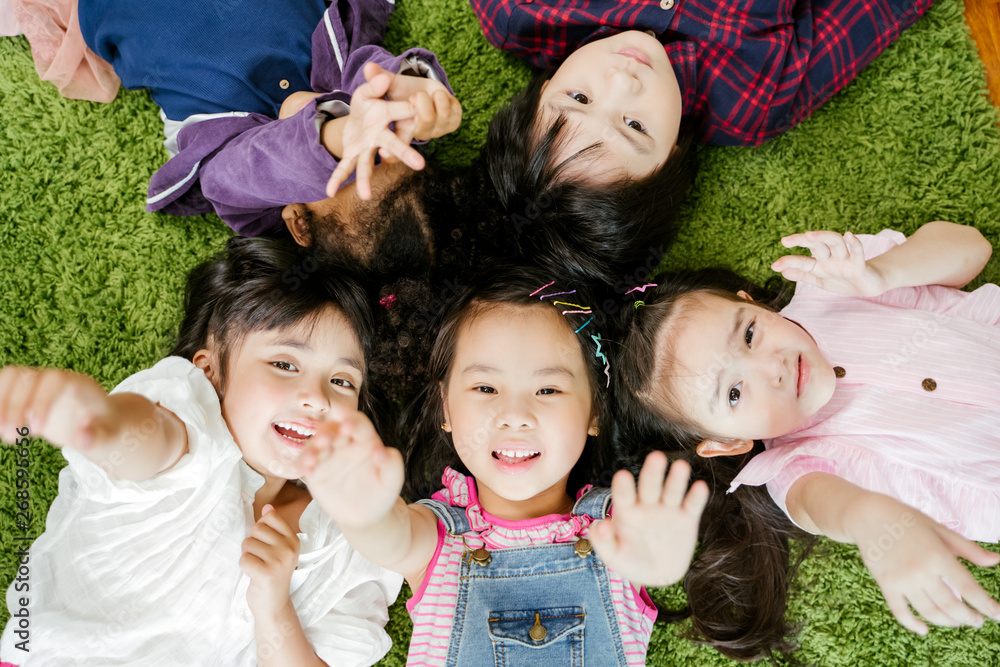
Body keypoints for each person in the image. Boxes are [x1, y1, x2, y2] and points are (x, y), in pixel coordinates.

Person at [0, 238, 402, 666]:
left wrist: (273, 606)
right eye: (284, 364)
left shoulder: (352, 538)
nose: (318, 399)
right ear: (209, 372)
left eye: (342, 381)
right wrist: (92, 418)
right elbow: (144, 438)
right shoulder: (193, 433)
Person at [616, 222, 1000, 660]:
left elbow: (972, 248)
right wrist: (872, 518)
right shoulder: (796, 469)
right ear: (727, 443)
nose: (772, 368)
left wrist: (880, 273)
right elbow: (833, 507)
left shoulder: (833, 286)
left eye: (749, 335)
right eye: (734, 393)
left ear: (753, 303)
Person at [298, 270, 709, 666]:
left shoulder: (620, 525)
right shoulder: (439, 534)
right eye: (486, 388)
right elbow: (390, 538)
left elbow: (650, 551)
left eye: (548, 389)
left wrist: (660, 566)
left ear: (595, 411)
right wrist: (363, 512)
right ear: (445, 406)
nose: (514, 416)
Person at [470, 0, 933, 279]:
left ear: (542, 91)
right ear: (671, 158)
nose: (623, 80)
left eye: (578, 97)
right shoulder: (758, 97)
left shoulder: (516, 11)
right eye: (634, 127)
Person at [6, 0, 461, 256]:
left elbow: (246, 169)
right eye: (381, 149)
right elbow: (373, 76)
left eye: (343, 164)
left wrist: (331, 135)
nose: (356, 133)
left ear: (297, 220)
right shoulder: (342, 80)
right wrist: (411, 94)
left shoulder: (237, 169)